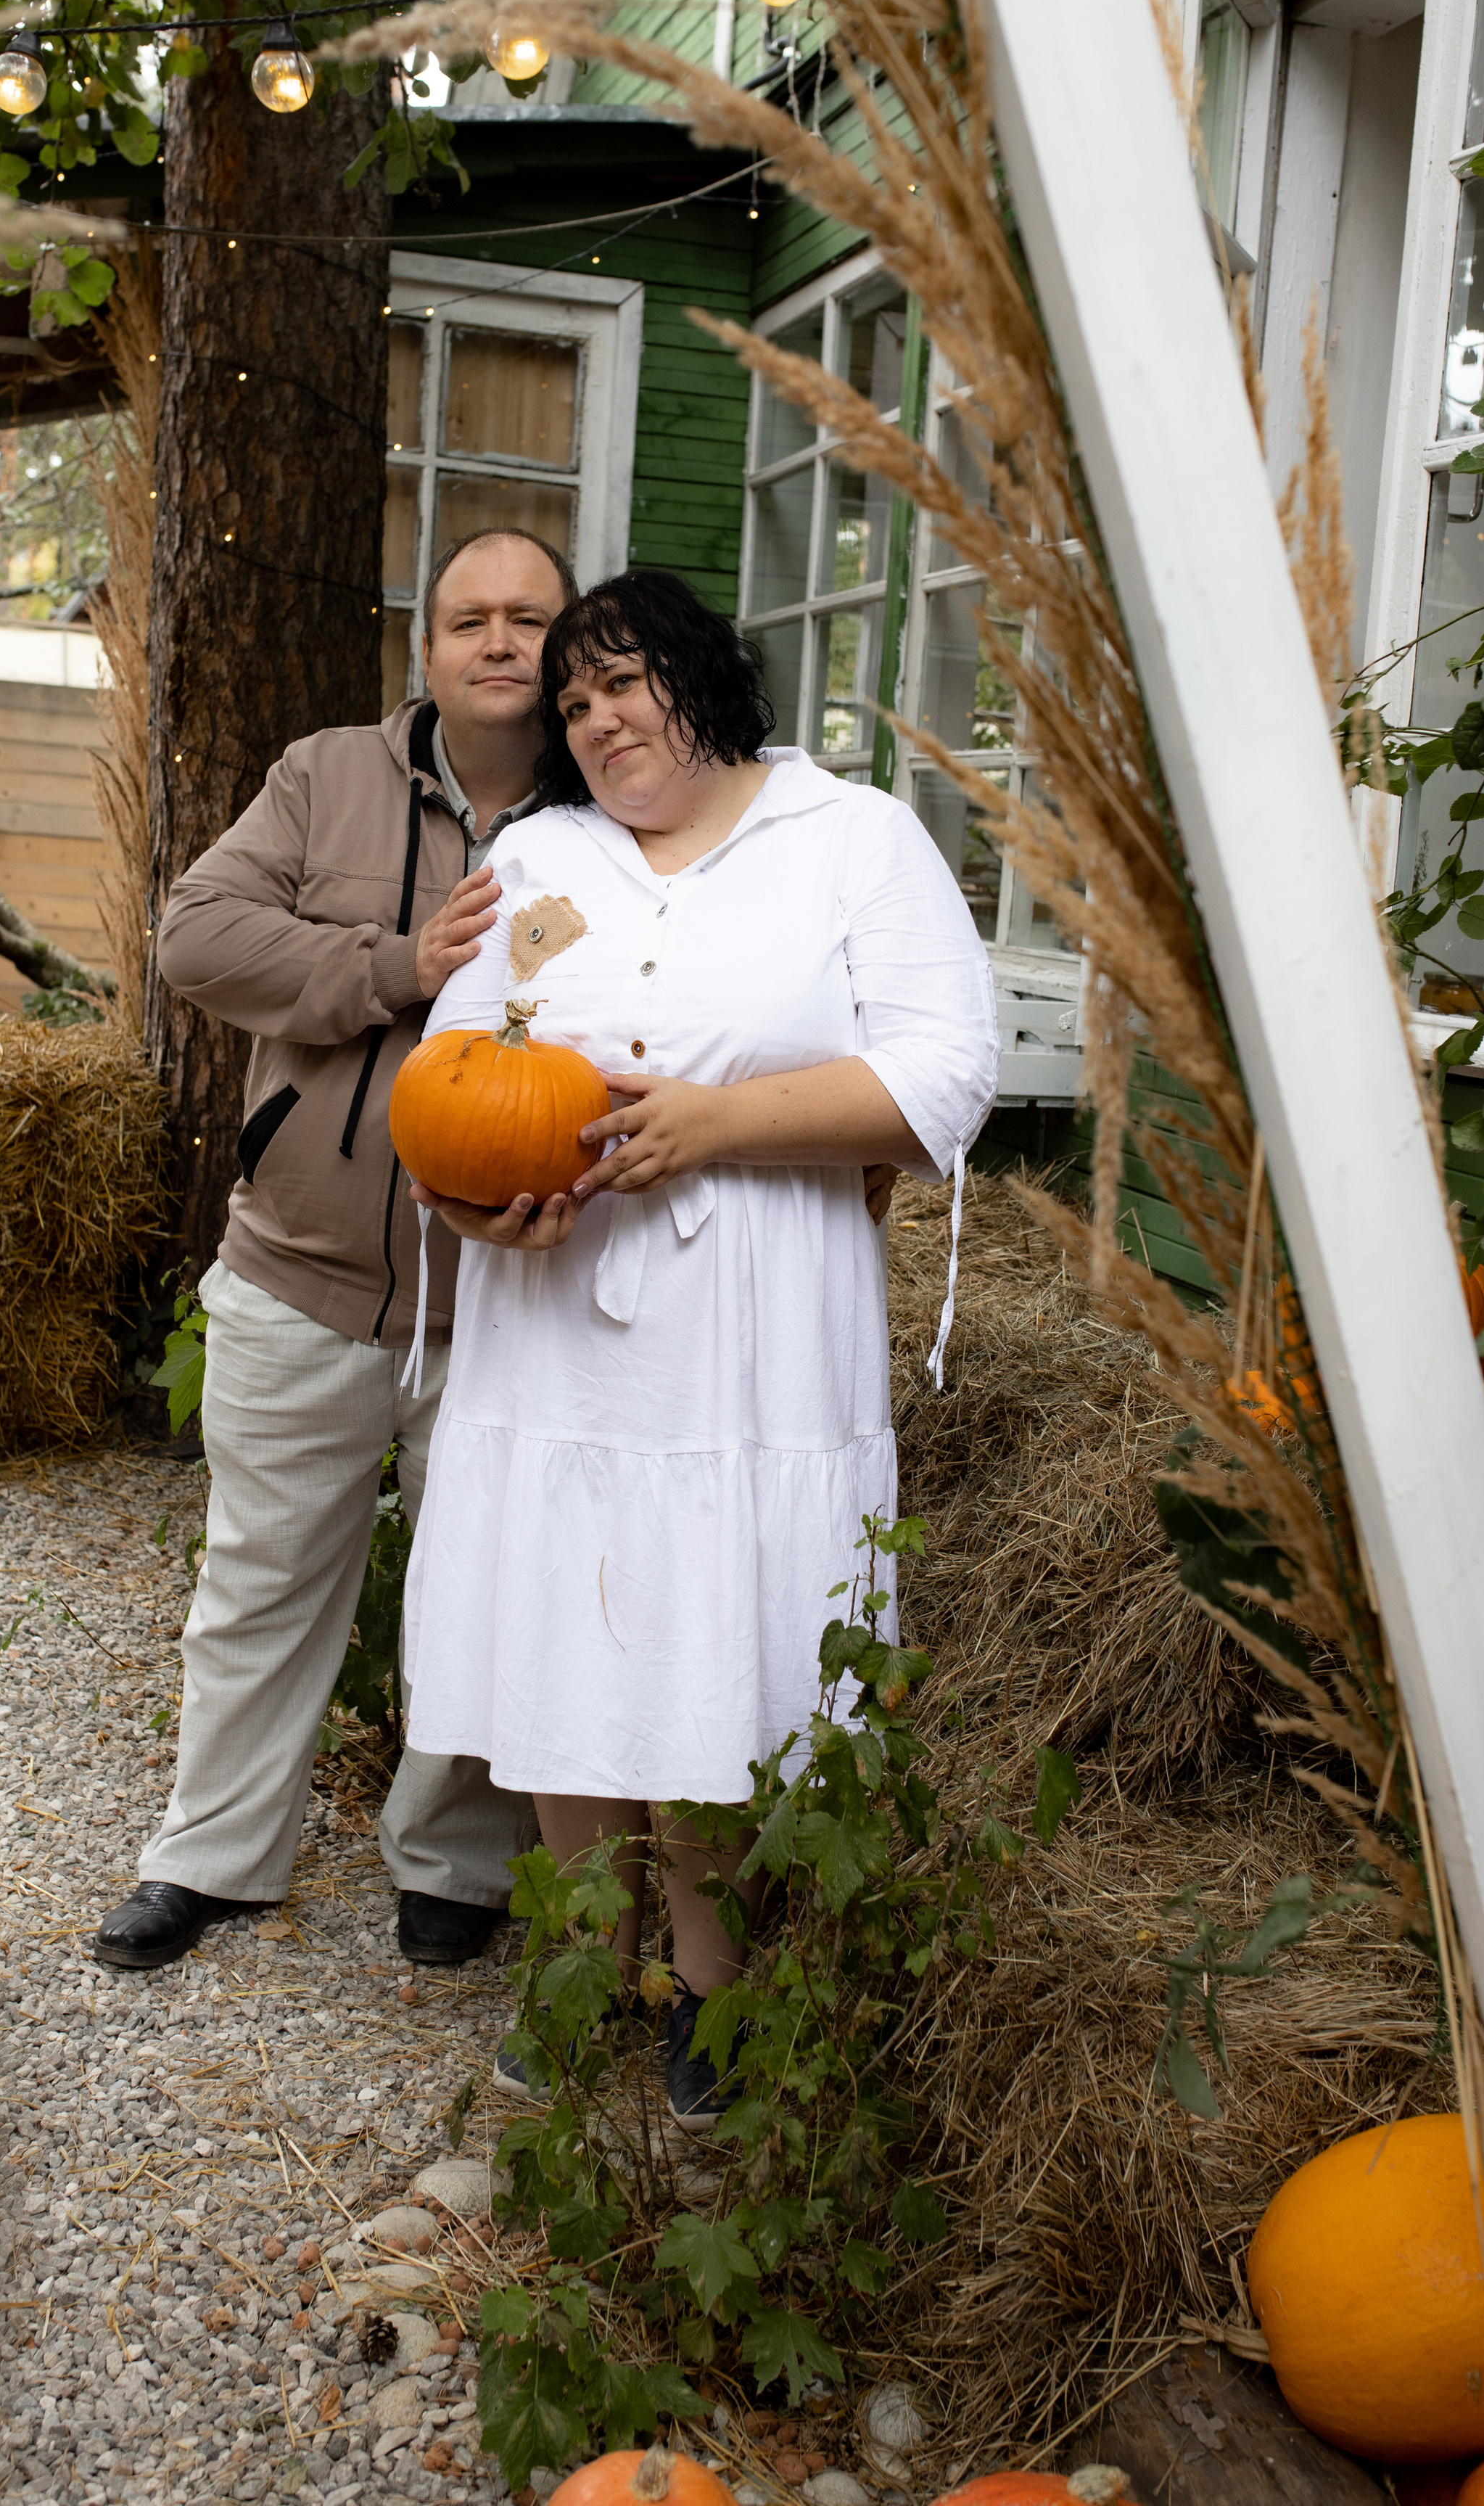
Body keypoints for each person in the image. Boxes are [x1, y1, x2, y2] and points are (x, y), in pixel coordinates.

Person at [397, 569, 999, 2121]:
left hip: (750, 1326)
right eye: (574, 703)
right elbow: (460, 1065)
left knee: (710, 1634)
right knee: (561, 1632)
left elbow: (947, 1072)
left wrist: (718, 1125)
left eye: (624, 684)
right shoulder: (539, 855)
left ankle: (708, 1982)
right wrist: (475, 1209)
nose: (596, 720)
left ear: (703, 677)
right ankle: (591, 1955)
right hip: (560, 1330)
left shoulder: (846, 837)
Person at [93, 528, 574, 1974]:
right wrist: (394, 967)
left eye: (529, 620)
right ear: (424, 651)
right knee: (259, 1575)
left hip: (502, 1292)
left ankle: (453, 1864)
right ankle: (212, 1856)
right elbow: (199, 941)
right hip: (299, 1269)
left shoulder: (608, 814)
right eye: (466, 619)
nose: (497, 641)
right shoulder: (327, 777)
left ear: (569, 648)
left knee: (479, 1587)